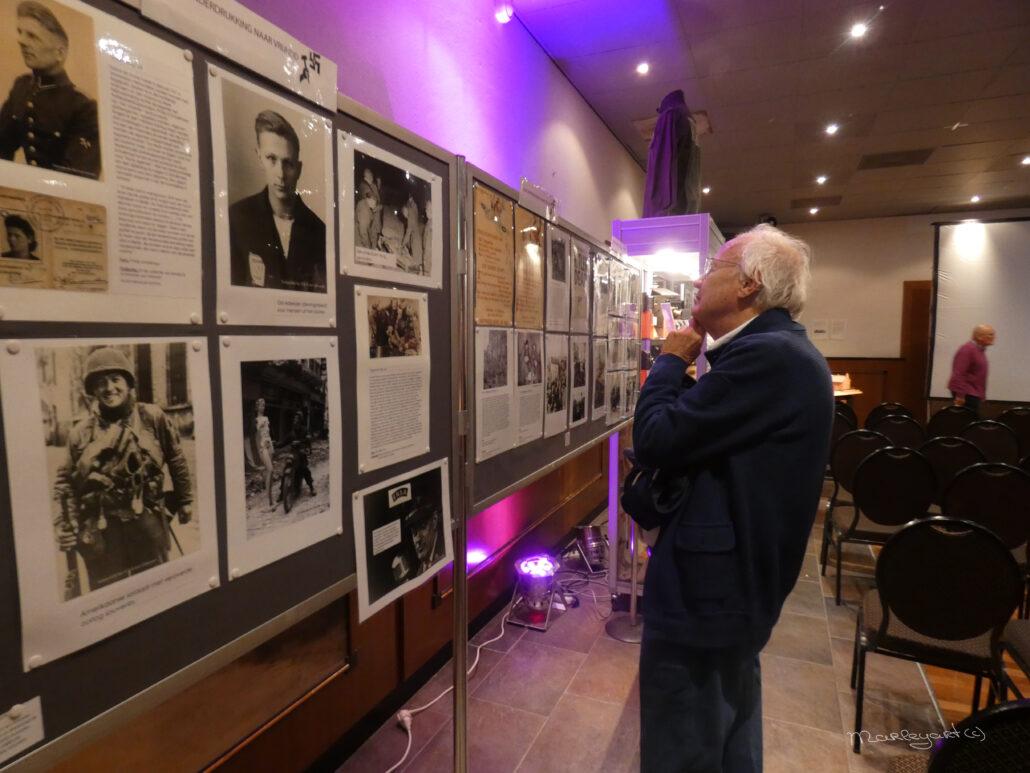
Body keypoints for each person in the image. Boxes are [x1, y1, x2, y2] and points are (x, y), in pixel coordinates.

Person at [632, 224, 832, 773]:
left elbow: (654, 438)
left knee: (685, 747)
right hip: (731, 595)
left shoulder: (769, 359)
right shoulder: (777, 353)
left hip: (709, 599)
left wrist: (671, 361)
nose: (700, 278)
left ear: (750, 285)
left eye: (714, 268)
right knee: (727, 733)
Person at [53, 347, 193, 594]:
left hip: (147, 525)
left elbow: (176, 458)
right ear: (93, 390)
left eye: (116, 379)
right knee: (111, 597)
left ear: (128, 383)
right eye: (101, 383)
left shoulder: (152, 417)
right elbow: (65, 483)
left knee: (157, 589)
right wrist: (65, 525)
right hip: (103, 530)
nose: (109, 388)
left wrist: (185, 499)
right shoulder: (80, 433)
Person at [229, 110, 326, 293]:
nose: (280, 174)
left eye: (288, 163)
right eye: (271, 159)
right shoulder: (237, 218)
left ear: (298, 169)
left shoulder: (319, 232)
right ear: (259, 157)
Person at [0, 1, 100, 179]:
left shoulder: (83, 106)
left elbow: (77, 179)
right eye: (20, 33)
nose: (21, 41)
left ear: (59, 53)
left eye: (32, 36)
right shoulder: (21, 87)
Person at [947, 324, 994, 416]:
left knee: (970, 422)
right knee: (966, 423)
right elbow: (958, 373)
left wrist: (981, 394)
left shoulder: (979, 350)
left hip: (973, 393)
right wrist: (960, 395)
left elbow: (979, 375)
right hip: (966, 393)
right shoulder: (967, 349)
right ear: (979, 336)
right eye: (990, 334)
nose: (993, 337)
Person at [253, 397, 273, 494]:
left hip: (269, 445)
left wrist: (272, 445)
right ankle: (269, 499)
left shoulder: (266, 418)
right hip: (263, 446)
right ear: (257, 407)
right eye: (261, 405)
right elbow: (256, 437)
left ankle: (267, 490)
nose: (263, 407)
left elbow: (268, 433)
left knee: (268, 470)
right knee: (270, 469)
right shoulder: (256, 420)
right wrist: (259, 449)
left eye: (264, 405)